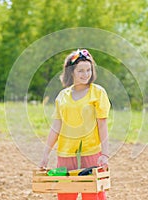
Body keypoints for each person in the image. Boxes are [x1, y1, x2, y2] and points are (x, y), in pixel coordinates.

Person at [40, 49, 110, 200]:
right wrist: (45, 154)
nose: (85, 74)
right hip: (65, 155)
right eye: (81, 71)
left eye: (88, 70)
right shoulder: (62, 96)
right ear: (71, 72)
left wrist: (105, 154)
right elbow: (56, 127)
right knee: (66, 196)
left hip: (91, 154)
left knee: (92, 196)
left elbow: (102, 125)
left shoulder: (98, 93)